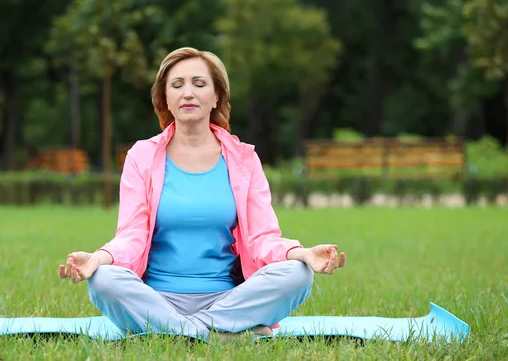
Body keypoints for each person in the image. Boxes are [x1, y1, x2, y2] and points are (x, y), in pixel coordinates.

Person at [58, 47, 346, 340]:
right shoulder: (141, 156)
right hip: (156, 300)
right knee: (104, 279)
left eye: (199, 84)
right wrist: (99, 258)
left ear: (216, 95)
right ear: (165, 98)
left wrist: (302, 253)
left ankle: (179, 331)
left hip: (228, 301)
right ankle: (215, 334)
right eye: (177, 85)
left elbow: (262, 238)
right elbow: (131, 235)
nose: (188, 93)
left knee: (298, 274)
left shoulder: (244, 160)